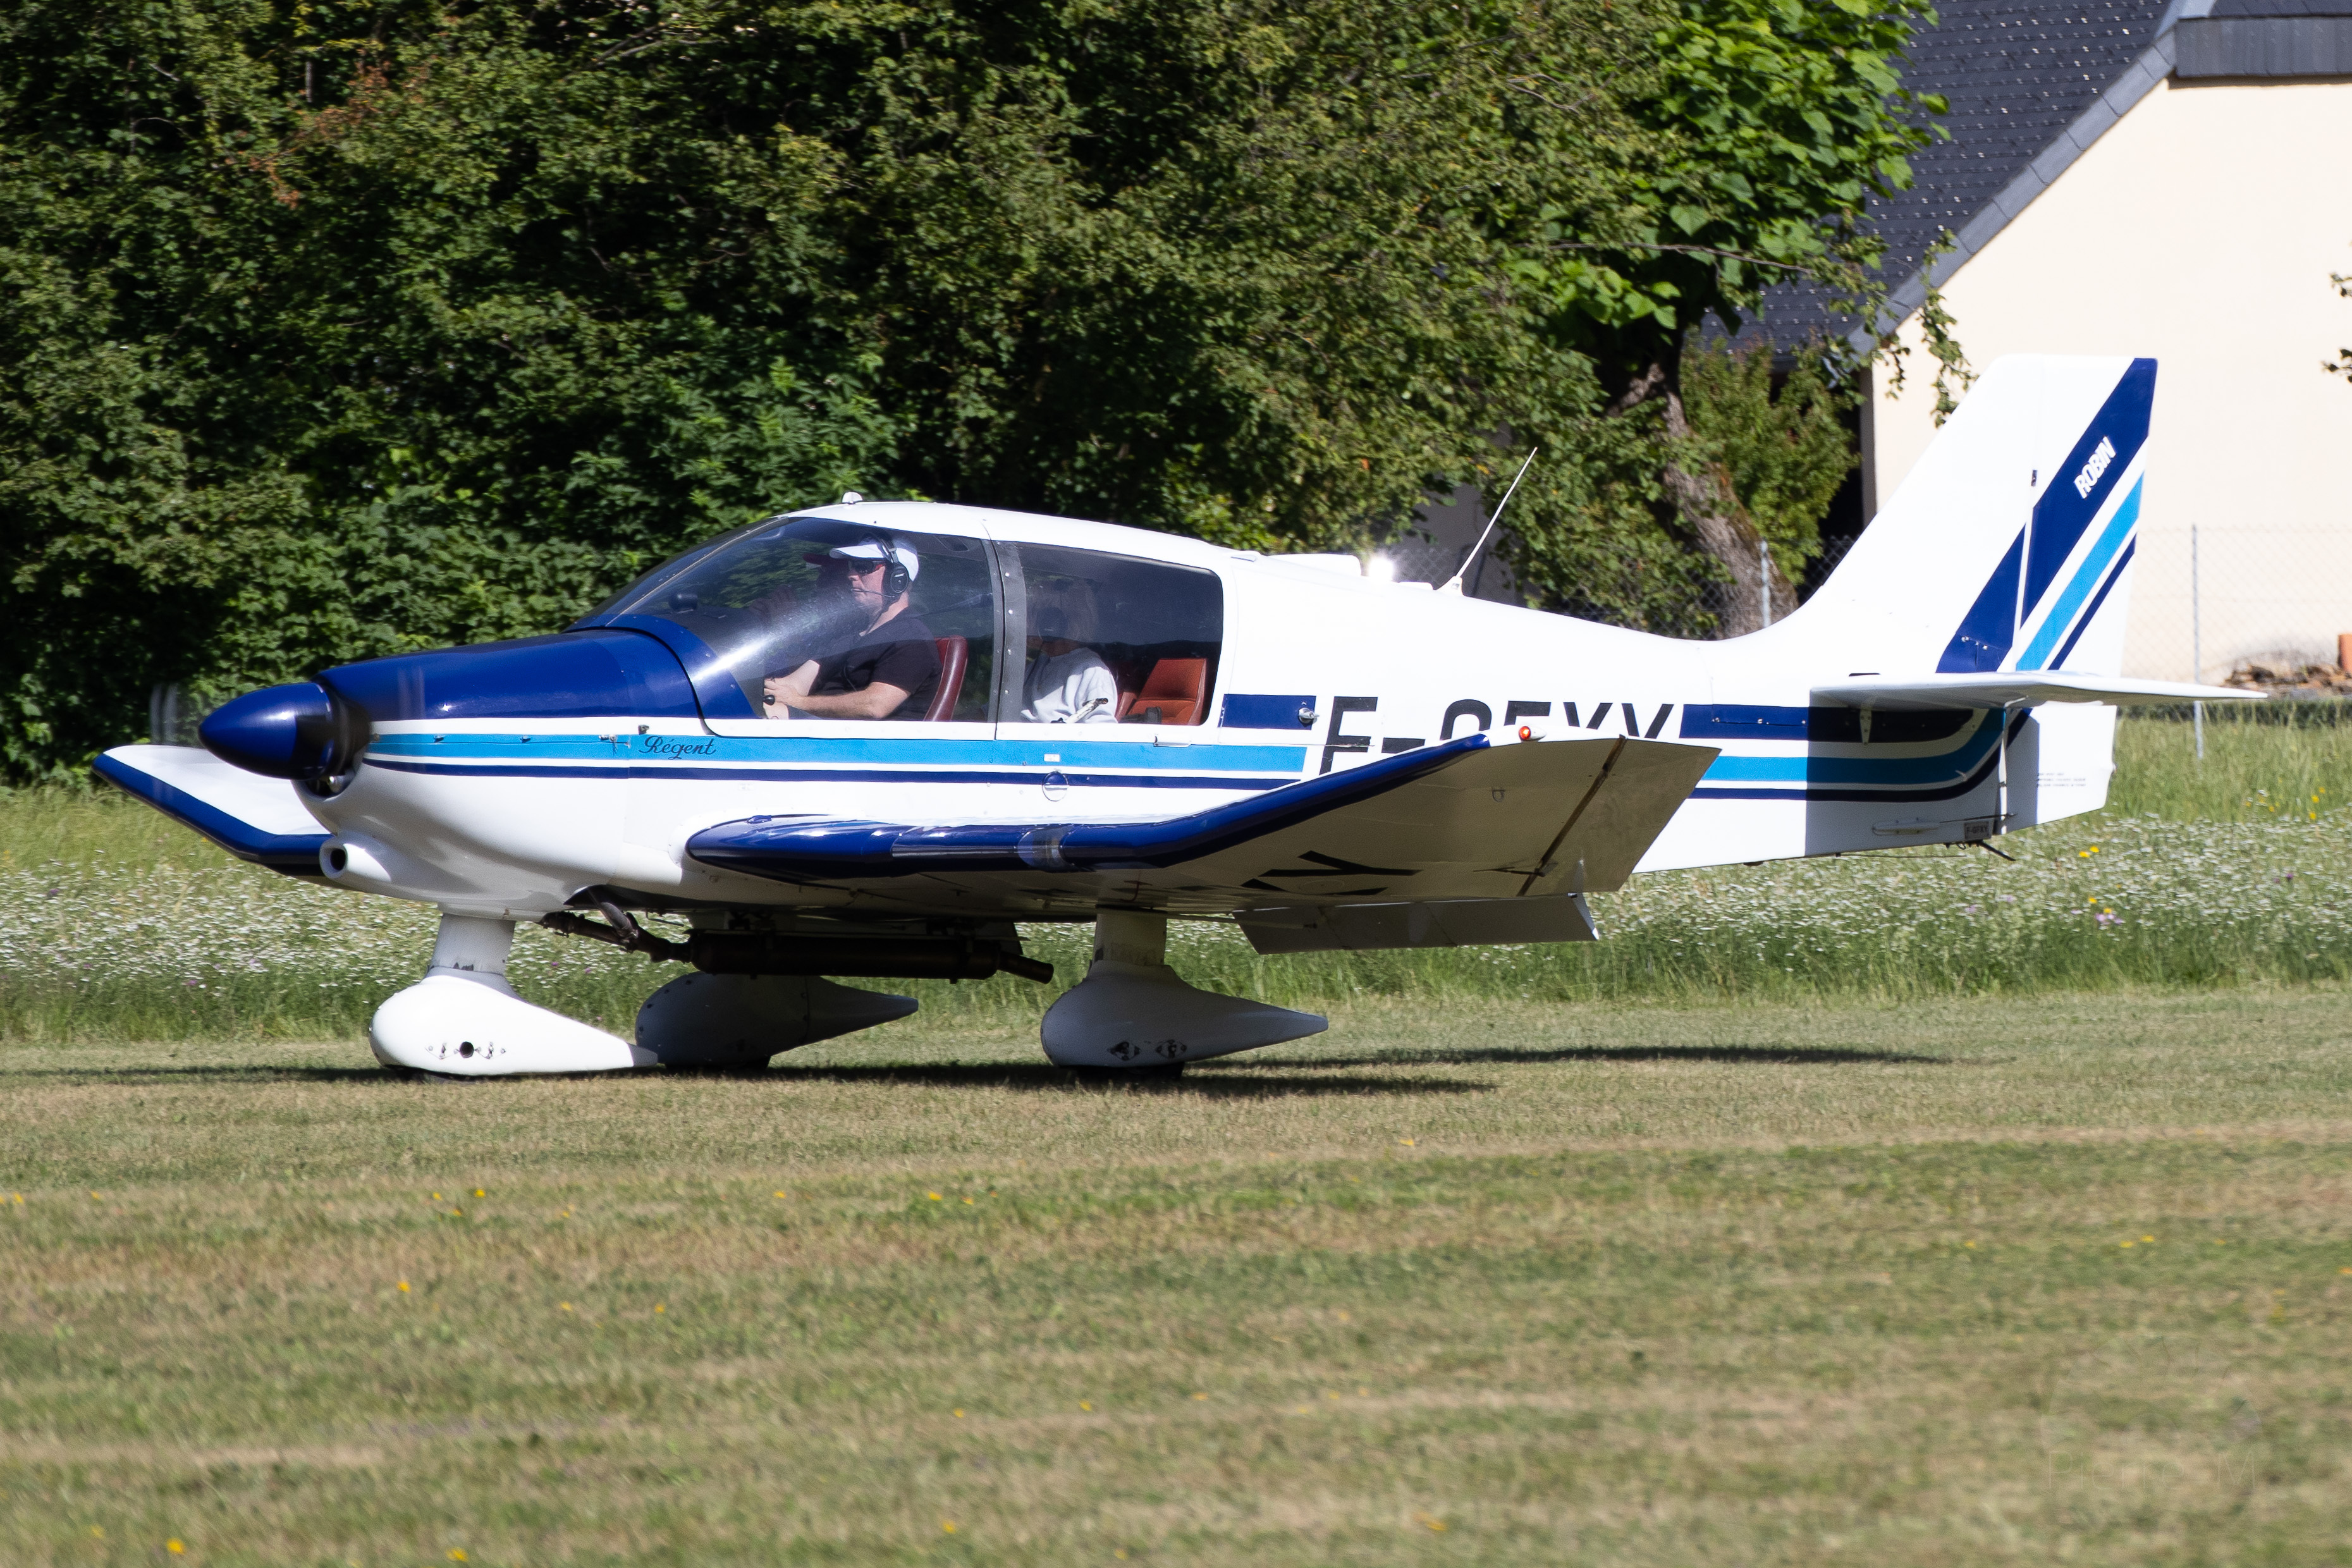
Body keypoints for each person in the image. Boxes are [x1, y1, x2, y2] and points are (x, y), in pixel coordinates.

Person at [763, 536, 939, 720]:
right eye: (853, 566)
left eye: (864, 566)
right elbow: (794, 684)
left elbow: (875, 705)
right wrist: (750, 689)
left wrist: (798, 702)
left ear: (898, 578)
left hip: (864, 744)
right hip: (827, 733)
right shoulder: (850, 636)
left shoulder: (912, 638)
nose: (851, 574)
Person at [1020, 586, 1118, 724]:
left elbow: (1100, 732)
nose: (1026, 624)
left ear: (1053, 625)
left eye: (1035, 615)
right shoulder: (1039, 665)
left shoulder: (1091, 670)